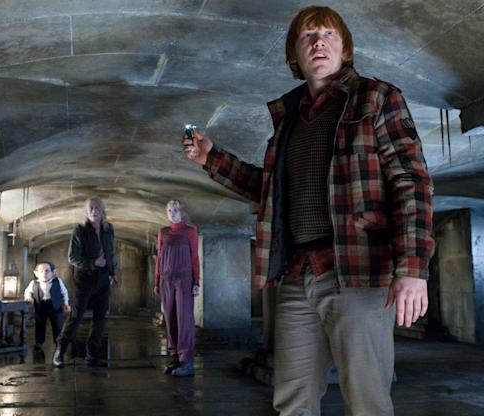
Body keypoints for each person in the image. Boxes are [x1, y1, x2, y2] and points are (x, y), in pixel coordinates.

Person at [182, 5, 434, 415]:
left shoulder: (376, 98)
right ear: (294, 56)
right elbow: (271, 193)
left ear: (344, 48)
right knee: (292, 401)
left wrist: (412, 268)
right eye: (308, 36)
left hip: (358, 272)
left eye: (329, 34)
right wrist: (212, 158)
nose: (318, 41)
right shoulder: (289, 120)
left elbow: (411, 182)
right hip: (299, 274)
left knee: (367, 402)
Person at [53, 197, 118, 368]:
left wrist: (112, 272)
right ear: (86, 211)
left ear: (102, 210)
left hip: (103, 279)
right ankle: (60, 350)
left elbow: (110, 252)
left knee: (100, 318)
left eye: (97, 208)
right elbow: (72, 257)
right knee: (76, 316)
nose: (94, 211)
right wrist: (93, 263)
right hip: (84, 280)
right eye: (91, 208)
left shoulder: (108, 229)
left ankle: (92, 354)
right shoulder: (80, 230)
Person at [154, 200, 200, 377]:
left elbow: (194, 257)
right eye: (169, 210)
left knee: (184, 319)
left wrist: (196, 282)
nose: (172, 213)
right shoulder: (163, 232)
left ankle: (186, 360)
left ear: (182, 212)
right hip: (166, 279)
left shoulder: (190, 231)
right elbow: (159, 257)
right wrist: (157, 281)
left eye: (175, 210)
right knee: (170, 317)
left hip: (184, 279)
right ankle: (175, 357)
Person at [24, 261, 71, 350]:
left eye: (47, 271)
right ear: (36, 273)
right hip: (41, 306)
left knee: (57, 325)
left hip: (55, 307)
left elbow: (64, 292)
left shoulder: (57, 281)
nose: (44, 273)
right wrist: (28, 297)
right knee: (40, 325)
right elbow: (28, 291)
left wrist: (66, 303)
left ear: (53, 272)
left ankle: (58, 343)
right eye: (41, 271)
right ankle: (39, 342)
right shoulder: (33, 283)